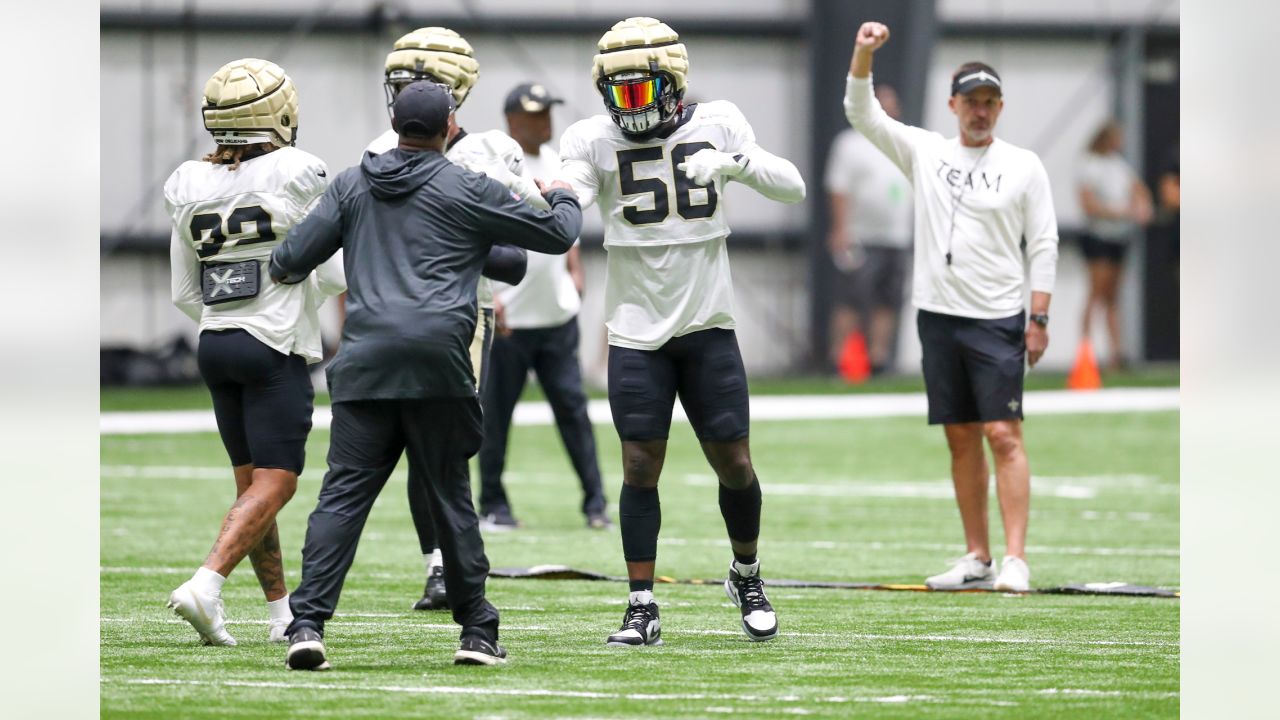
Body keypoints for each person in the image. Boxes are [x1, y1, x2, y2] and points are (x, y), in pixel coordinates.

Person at [269, 81, 581, 670]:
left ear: (393, 122)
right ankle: (477, 632)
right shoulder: (466, 184)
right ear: (449, 127)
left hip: (364, 363)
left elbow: (288, 262)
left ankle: (307, 624)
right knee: (450, 497)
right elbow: (555, 235)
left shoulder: (352, 183)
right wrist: (561, 190)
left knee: (341, 498)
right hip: (440, 361)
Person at [557, 16, 806, 646]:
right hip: (636, 331)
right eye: (617, 91)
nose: (626, 105)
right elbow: (571, 194)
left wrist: (733, 163)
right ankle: (642, 603)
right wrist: (544, 195)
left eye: (639, 91)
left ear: (672, 84)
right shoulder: (591, 137)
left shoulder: (718, 122)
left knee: (735, 464)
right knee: (640, 465)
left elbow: (794, 188)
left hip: (707, 326)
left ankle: (746, 572)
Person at [845, 22, 1059, 592]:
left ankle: (1016, 559)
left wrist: (1037, 318)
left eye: (990, 102)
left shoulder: (1024, 166)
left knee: (1003, 432)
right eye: (971, 102)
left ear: (1000, 107)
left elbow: (1043, 243)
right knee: (960, 435)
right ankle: (977, 556)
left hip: (997, 317)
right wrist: (863, 55)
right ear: (953, 104)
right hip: (937, 316)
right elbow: (863, 115)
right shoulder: (926, 152)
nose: (981, 112)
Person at [164, 58, 345, 647]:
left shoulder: (189, 182)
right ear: (279, 113)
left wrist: (231, 315)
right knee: (280, 484)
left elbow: (183, 291)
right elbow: (336, 274)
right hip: (273, 345)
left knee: (252, 488)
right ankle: (206, 583)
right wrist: (283, 300)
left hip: (215, 342)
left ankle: (279, 613)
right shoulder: (297, 171)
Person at [365, 27, 537, 612]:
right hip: (394, 311)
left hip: (466, 311)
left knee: (449, 442)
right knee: (412, 446)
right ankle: (439, 567)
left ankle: (452, 567)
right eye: (402, 82)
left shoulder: (490, 152)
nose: (406, 93)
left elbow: (519, 249)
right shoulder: (377, 150)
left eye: (420, 82)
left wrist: (447, 242)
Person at [478, 81, 611, 532]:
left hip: (556, 316)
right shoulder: (495, 168)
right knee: (495, 415)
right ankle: (493, 504)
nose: (544, 122)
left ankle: (595, 504)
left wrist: (575, 270)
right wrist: (491, 297)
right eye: (535, 115)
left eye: (547, 113)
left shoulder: (558, 162)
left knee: (573, 410)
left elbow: (566, 222)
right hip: (510, 318)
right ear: (513, 120)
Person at [825, 84, 913, 375]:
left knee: (887, 301)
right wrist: (840, 230)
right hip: (859, 236)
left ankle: (879, 360)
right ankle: (839, 359)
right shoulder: (850, 143)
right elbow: (838, 188)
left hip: (896, 236)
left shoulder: (904, 142)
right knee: (850, 300)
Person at [1077, 121, 1153, 370]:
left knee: (1112, 298)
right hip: (1098, 237)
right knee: (1095, 294)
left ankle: (1115, 355)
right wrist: (1119, 212)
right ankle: (1085, 353)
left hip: (1118, 239)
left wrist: (1142, 206)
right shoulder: (1090, 165)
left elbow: (1139, 189)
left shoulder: (1119, 165)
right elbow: (1088, 204)